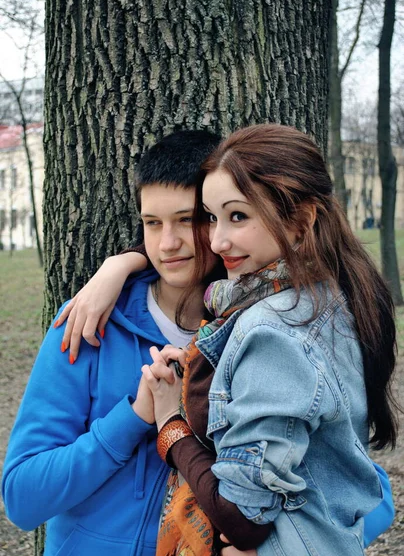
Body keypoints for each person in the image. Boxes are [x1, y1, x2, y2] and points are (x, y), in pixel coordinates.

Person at [55, 125, 396, 555]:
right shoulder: (329, 296)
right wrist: (119, 265)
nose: (217, 240)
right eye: (212, 217)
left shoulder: (270, 328)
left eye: (237, 216)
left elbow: (243, 519)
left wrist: (167, 425)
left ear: (302, 220)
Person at [3, 130, 251, 556]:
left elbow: (367, 493)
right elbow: (23, 500)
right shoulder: (88, 323)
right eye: (152, 223)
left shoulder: (258, 334)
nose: (167, 244)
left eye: (186, 220)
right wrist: (135, 416)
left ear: (217, 219)